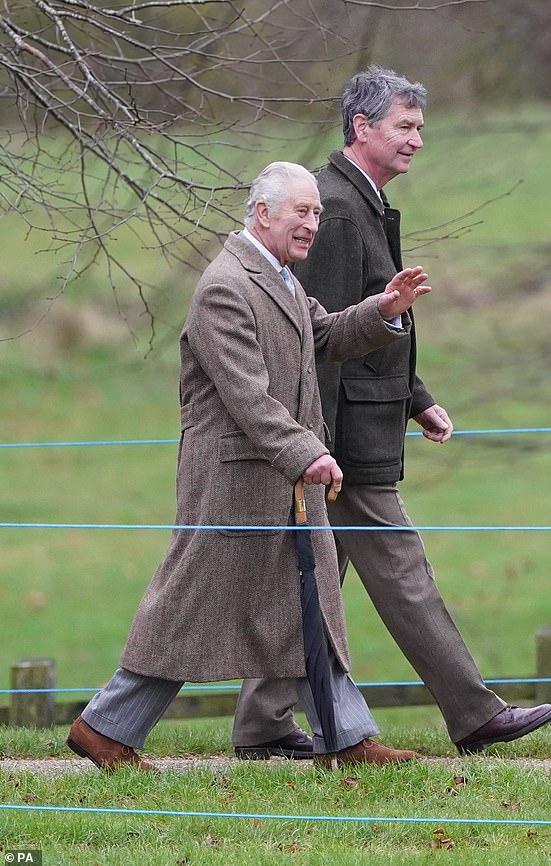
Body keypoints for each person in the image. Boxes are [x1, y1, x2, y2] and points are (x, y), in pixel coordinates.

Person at [232, 69, 551, 758]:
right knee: (404, 576)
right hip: (342, 444)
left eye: (417, 126)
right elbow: (313, 337)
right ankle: (474, 714)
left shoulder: (362, 202)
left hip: (357, 431)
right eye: (404, 126)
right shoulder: (342, 209)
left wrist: (418, 400)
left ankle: (262, 725)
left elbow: (365, 323)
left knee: (311, 584)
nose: (417, 139)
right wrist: (309, 446)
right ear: (362, 129)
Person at [66, 160, 434, 771]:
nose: (313, 223)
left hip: (279, 482)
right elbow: (247, 397)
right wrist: (309, 452)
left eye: (317, 212)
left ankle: (346, 738)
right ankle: (104, 729)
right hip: (233, 486)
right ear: (262, 212)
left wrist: (382, 309)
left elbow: (327, 337)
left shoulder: (281, 279)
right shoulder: (225, 287)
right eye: (302, 211)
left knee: (310, 603)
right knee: (186, 611)